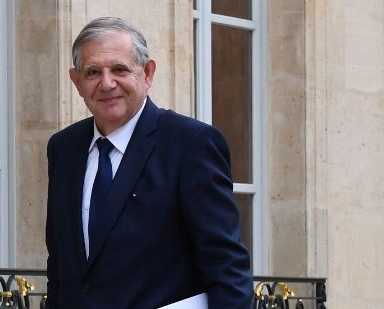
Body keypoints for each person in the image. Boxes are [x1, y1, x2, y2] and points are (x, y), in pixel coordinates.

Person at [45, 17, 253, 308]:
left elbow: (226, 267)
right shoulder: (63, 148)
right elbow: (60, 267)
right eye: (93, 72)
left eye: (120, 69)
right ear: (76, 82)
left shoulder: (191, 144)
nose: (107, 83)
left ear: (148, 73)